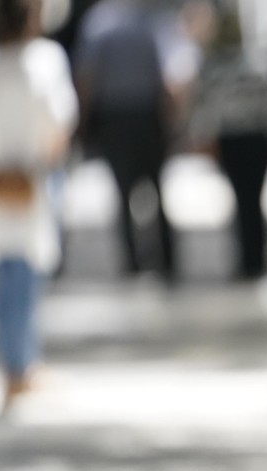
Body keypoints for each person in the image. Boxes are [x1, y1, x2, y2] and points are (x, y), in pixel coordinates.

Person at [0, 0, 78, 414]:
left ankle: (16, 364)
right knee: (23, 272)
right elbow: (59, 122)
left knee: (3, 271)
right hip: (30, 180)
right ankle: (18, 368)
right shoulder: (46, 60)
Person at [187, 4, 267, 279]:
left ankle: (250, 260)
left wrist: (203, 137)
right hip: (255, 138)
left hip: (233, 140)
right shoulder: (260, 63)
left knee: (243, 199)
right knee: (253, 199)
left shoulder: (213, 67)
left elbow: (206, 108)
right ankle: (255, 258)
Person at [73, 0, 176, 281]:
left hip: (116, 120)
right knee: (157, 189)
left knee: (123, 193)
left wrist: (82, 120)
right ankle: (167, 260)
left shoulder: (98, 22)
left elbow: (86, 75)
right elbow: (166, 75)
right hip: (146, 116)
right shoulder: (147, 21)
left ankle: (132, 264)